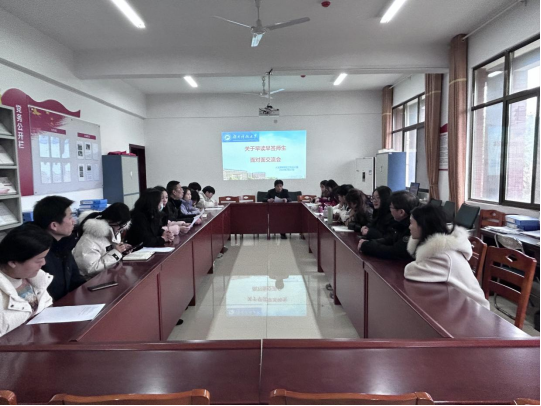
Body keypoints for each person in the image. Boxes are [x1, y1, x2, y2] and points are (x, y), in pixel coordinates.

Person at [404, 205, 490, 310]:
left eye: (411, 223)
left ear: (422, 225)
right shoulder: (440, 248)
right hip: (459, 303)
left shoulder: (443, 255)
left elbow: (411, 271)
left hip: (475, 310)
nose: (409, 227)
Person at [0, 224, 55, 338]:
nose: (44, 263)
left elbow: (47, 304)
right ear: (13, 262)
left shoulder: (35, 278)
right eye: (38, 260)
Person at [33, 196, 86, 301]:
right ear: (54, 225)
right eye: (70, 217)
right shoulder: (38, 253)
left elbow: (76, 280)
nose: (74, 221)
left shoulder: (63, 245)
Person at [73, 203, 132, 279]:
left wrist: (122, 250)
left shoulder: (114, 229)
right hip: (91, 280)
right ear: (110, 221)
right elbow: (91, 269)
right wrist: (117, 253)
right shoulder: (88, 240)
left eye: (123, 225)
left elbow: (108, 251)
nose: (121, 229)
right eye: (120, 225)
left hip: (108, 275)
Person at [358, 191, 419, 260]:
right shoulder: (399, 223)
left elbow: (395, 252)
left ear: (401, 212)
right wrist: (368, 243)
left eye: (391, 208)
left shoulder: (412, 228)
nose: (390, 210)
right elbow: (389, 239)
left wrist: (367, 246)